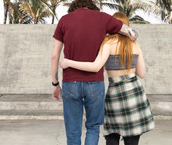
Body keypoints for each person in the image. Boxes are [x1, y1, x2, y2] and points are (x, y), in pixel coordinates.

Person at [51, 0, 139, 145]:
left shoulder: (64, 20)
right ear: (92, 7)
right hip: (95, 83)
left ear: (74, 8)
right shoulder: (103, 18)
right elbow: (133, 34)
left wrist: (55, 84)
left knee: (73, 132)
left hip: (70, 82)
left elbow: (55, 55)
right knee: (93, 128)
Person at [60, 12, 155, 145]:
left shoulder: (108, 43)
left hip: (115, 95)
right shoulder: (134, 45)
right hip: (135, 94)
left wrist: (69, 63)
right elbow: (142, 73)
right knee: (132, 139)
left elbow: (95, 67)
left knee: (112, 137)